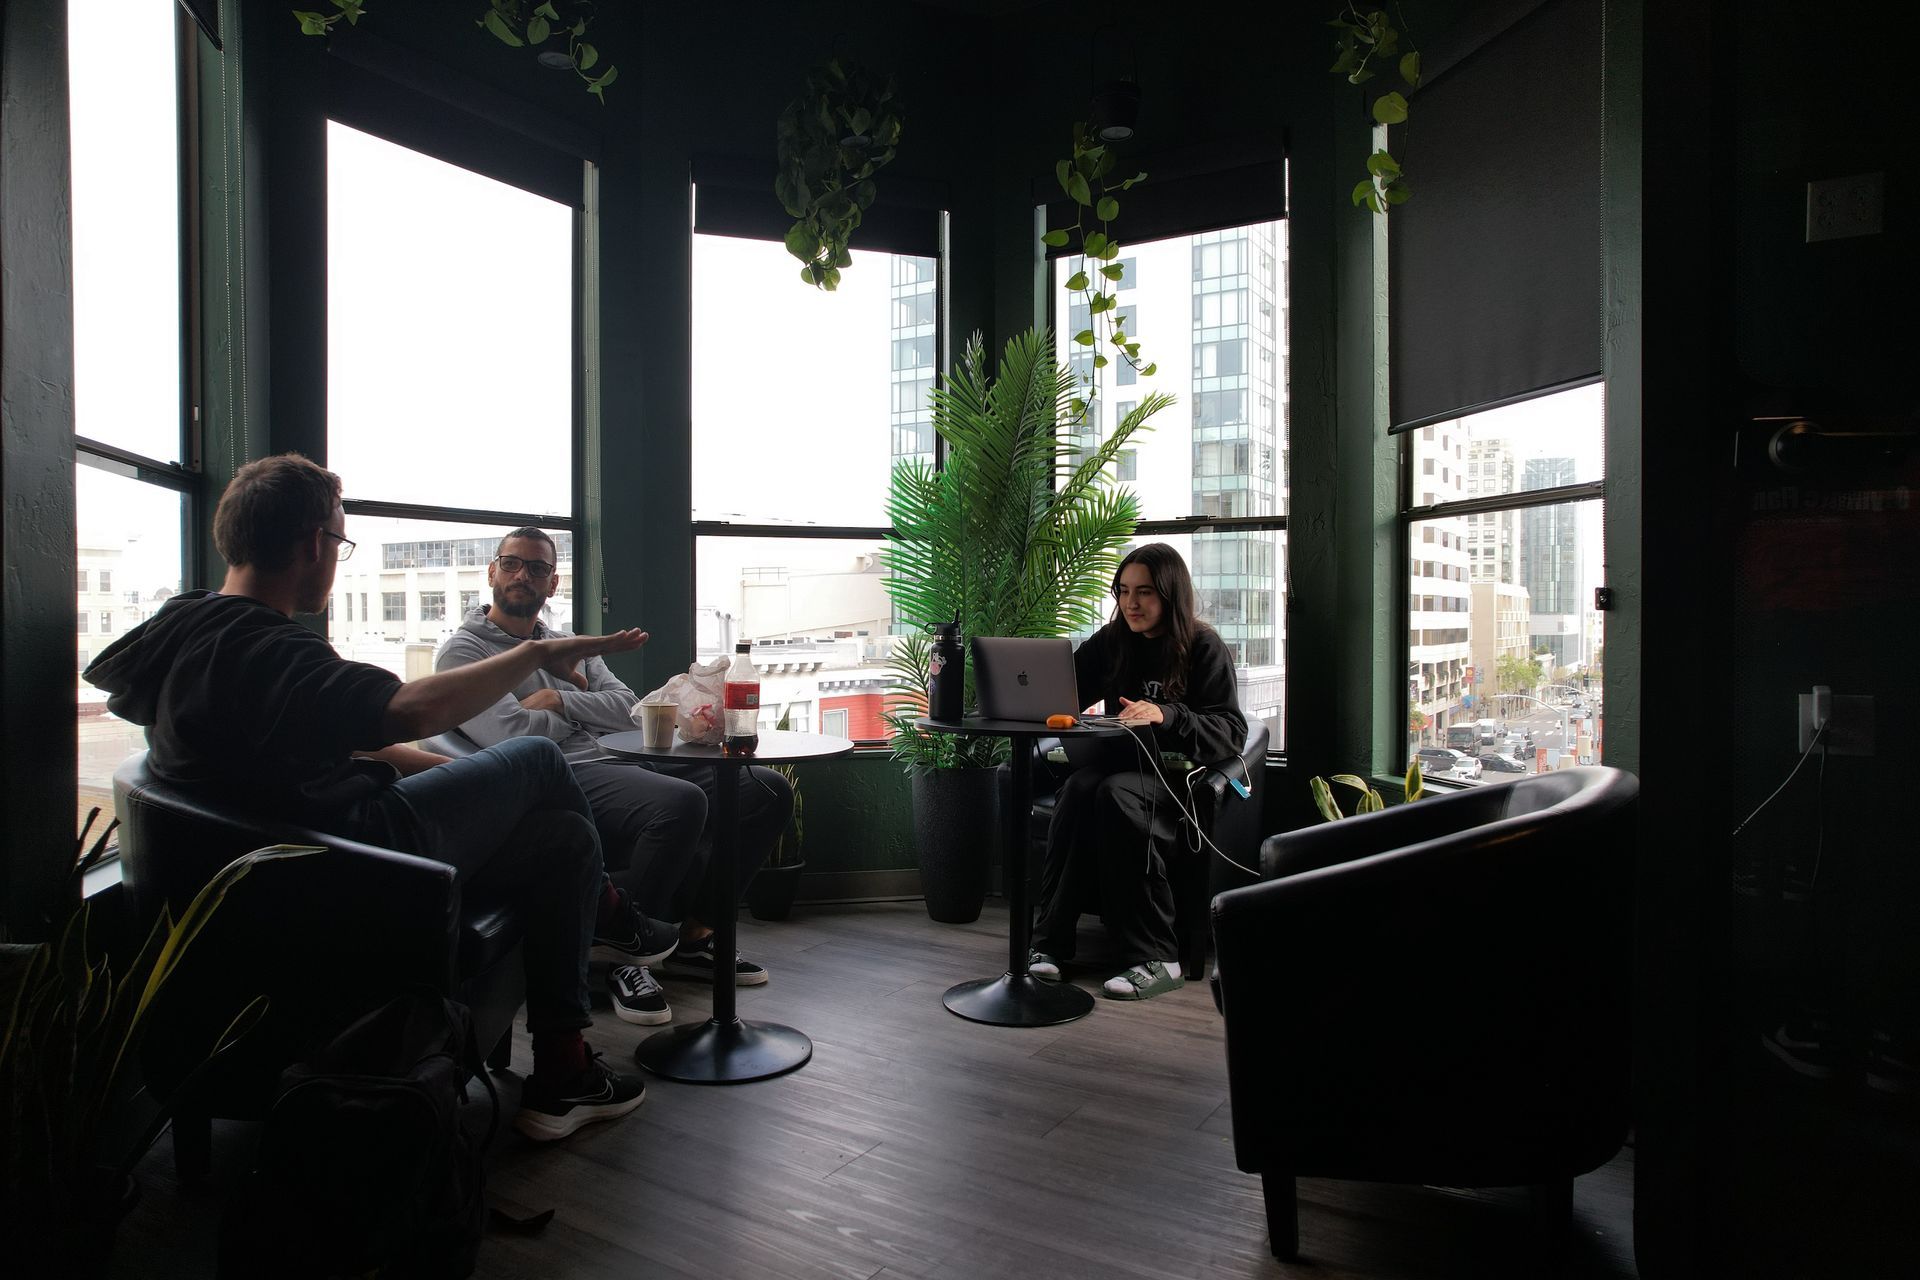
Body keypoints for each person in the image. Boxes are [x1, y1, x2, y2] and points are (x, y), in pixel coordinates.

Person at [84, 454, 649, 1142]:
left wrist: (456, 778)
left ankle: (562, 1070)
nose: (338, 558)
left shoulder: (193, 627)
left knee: (566, 839)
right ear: (311, 544)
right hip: (353, 862)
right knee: (533, 758)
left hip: (301, 854)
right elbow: (408, 712)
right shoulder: (274, 652)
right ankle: (618, 915)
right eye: (341, 541)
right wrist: (532, 654)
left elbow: (365, 745)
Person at [433, 527, 793, 1027]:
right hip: (560, 776)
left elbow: (629, 709)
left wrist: (560, 700)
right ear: (492, 571)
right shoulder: (464, 652)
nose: (523, 575)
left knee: (764, 791)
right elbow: (508, 733)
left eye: (537, 568)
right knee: (680, 803)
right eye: (512, 563)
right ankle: (626, 956)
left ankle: (694, 937)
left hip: (620, 758)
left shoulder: (570, 644)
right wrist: (581, 715)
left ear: (552, 583)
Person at [1029, 542, 1248, 1000]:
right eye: (1124, 591)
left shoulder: (1203, 646)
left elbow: (1231, 731)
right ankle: (1048, 945)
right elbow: (1063, 687)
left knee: (1113, 795)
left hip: (1177, 781)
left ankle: (1157, 957)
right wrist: (1032, 697)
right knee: (1078, 790)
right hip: (1118, 768)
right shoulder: (1112, 642)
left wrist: (1165, 715)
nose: (1131, 603)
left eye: (1145, 592)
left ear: (1170, 595)